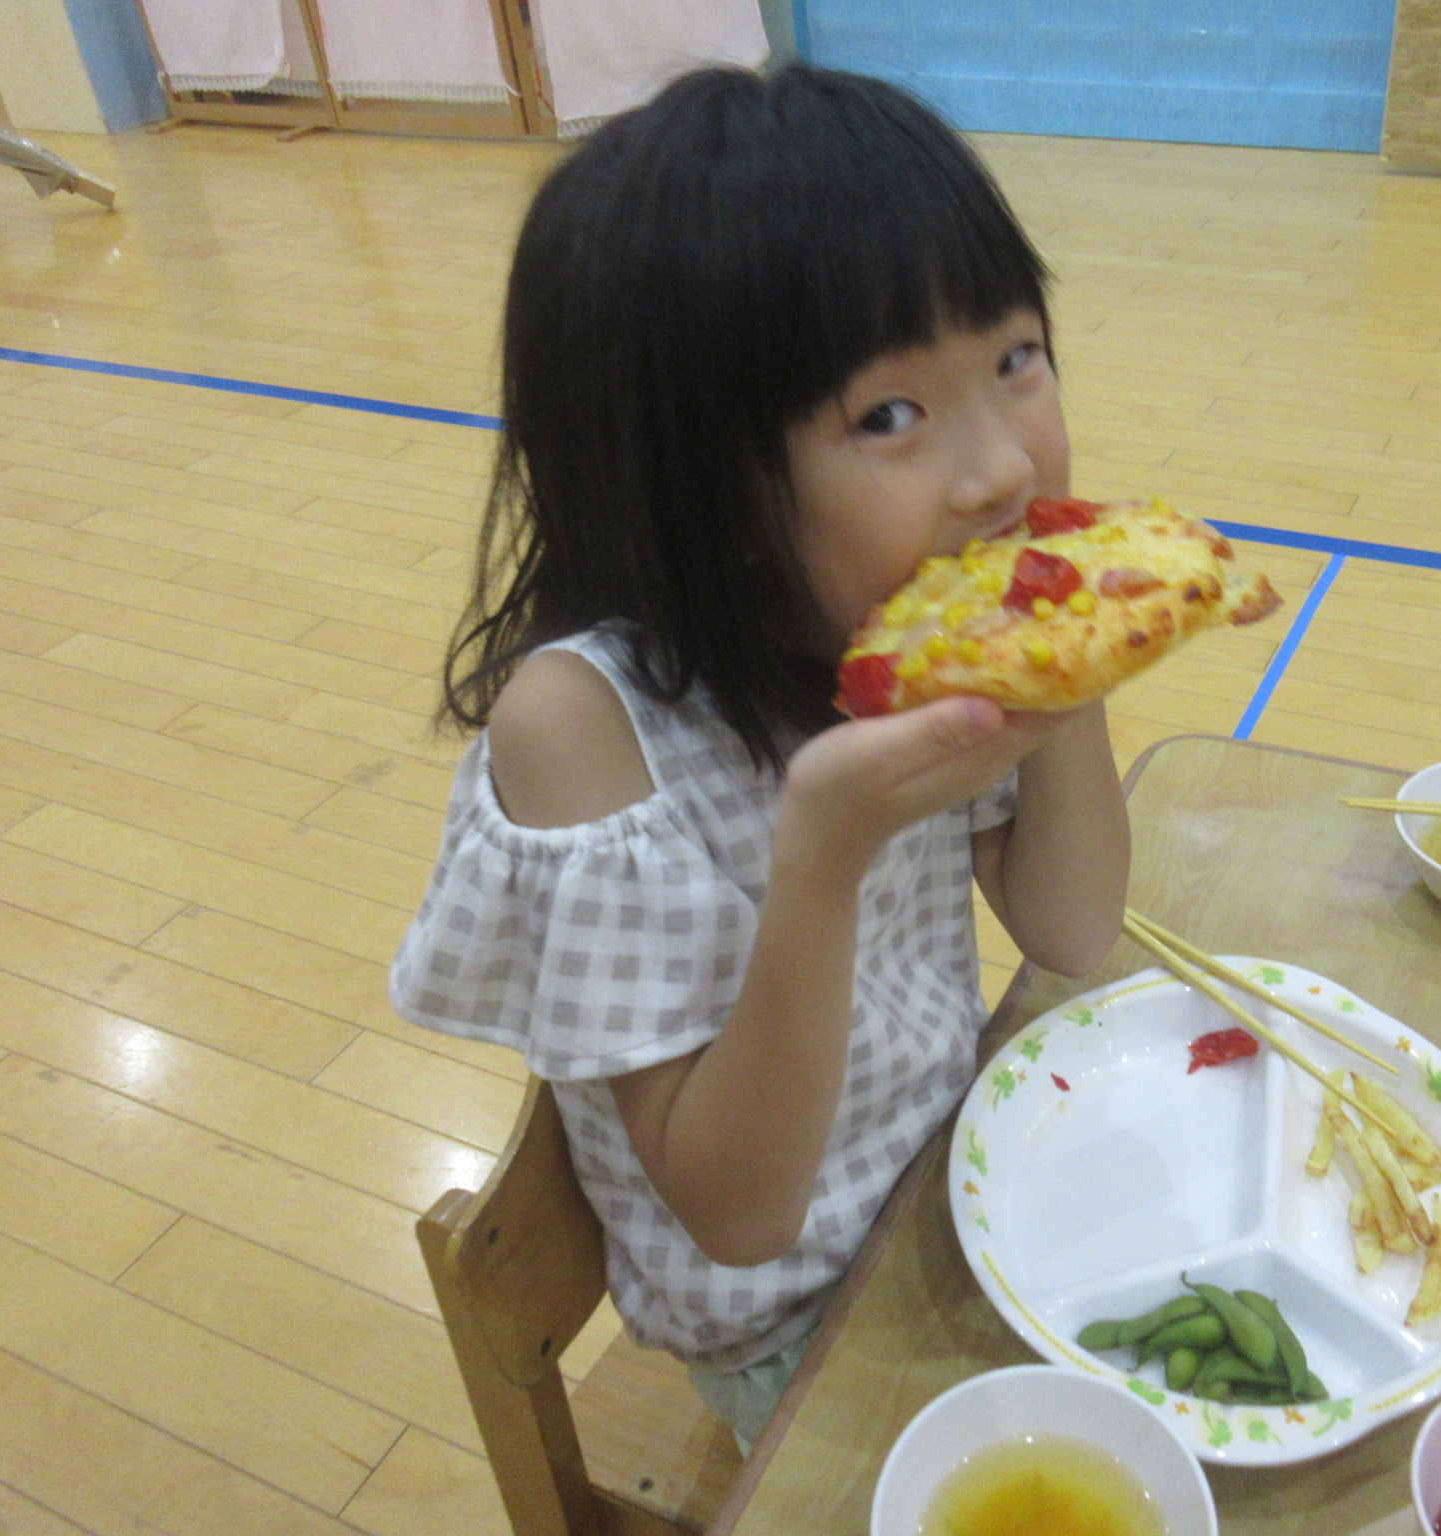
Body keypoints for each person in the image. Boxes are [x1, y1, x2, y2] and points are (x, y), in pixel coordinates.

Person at [390, 64, 1129, 1448]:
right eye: (890, 416)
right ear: (705, 484)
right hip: (790, 1318)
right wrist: (824, 855)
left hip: (952, 1172)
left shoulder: (896, 622)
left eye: (1015, 357)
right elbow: (737, 1220)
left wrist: (1074, 669)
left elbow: (1073, 926)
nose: (998, 471)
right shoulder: (584, 735)